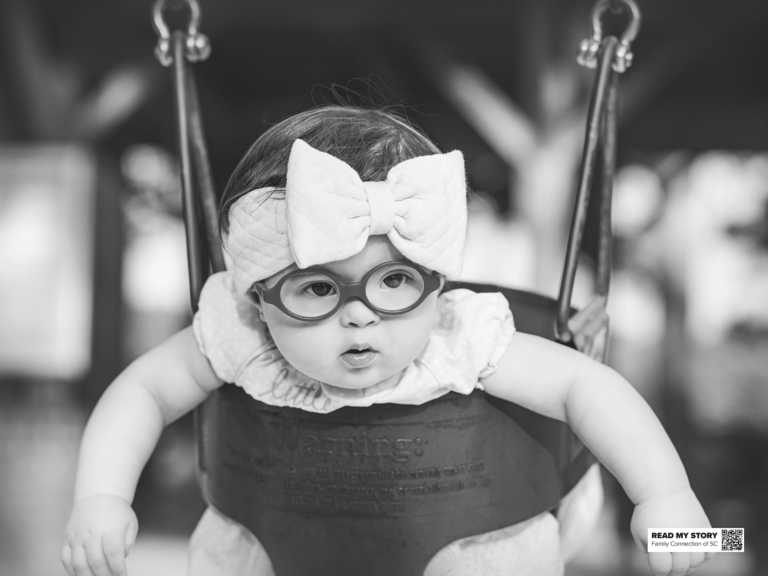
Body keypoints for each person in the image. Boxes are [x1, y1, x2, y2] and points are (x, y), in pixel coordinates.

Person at [62, 106, 713, 576]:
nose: (360, 316)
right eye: (318, 288)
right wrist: (101, 497)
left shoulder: (460, 335)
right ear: (259, 298)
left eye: (394, 281)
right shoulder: (239, 333)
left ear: (435, 284)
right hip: (268, 532)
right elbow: (143, 391)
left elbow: (584, 385)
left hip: (470, 536)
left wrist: (665, 498)